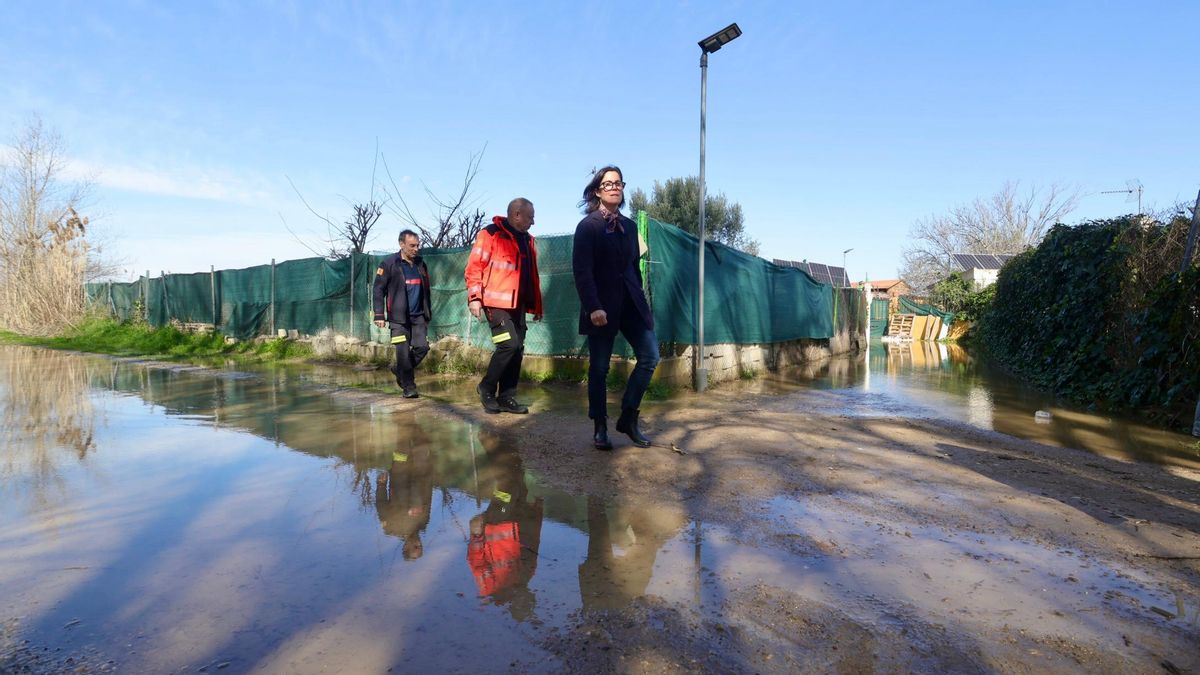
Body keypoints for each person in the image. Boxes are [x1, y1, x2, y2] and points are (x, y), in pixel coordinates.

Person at [572, 166, 660, 450]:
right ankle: (600, 425)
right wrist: (593, 307)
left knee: (650, 357)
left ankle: (628, 418)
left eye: (618, 183)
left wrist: (643, 305)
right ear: (597, 190)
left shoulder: (631, 227)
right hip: (602, 308)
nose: (614, 187)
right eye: (607, 183)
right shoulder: (588, 227)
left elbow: (634, 269)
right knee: (599, 369)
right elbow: (583, 272)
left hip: (632, 305)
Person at [464, 198, 543, 414]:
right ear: (517, 214)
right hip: (495, 304)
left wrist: (537, 307)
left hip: (519, 306)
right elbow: (474, 267)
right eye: (530, 217)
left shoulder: (528, 240)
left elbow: (532, 277)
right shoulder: (490, 234)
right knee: (508, 345)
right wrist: (474, 297)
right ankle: (486, 388)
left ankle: (507, 397)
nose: (533, 222)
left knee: (517, 350)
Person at [373, 229, 431, 398]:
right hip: (398, 319)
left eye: (418, 245)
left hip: (418, 316)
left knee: (422, 348)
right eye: (412, 245)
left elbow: (426, 290)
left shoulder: (421, 264)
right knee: (403, 353)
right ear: (401, 244)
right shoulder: (389, 264)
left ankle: (400, 371)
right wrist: (379, 314)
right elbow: (378, 290)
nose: (416, 249)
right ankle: (409, 386)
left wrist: (428, 312)